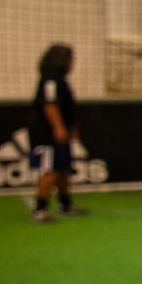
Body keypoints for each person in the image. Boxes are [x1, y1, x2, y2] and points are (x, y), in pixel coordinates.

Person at [27, 43, 88, 223]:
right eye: (71, 59)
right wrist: (58, 127)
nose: (72, 63)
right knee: (50, 170)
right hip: (47, 134)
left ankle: (66, 205)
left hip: (60, 132)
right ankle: (40, 210)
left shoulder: (60, 80)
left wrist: (71, 126)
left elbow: (66, 107)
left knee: (63, 168)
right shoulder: (50, 80)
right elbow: (50, 105)